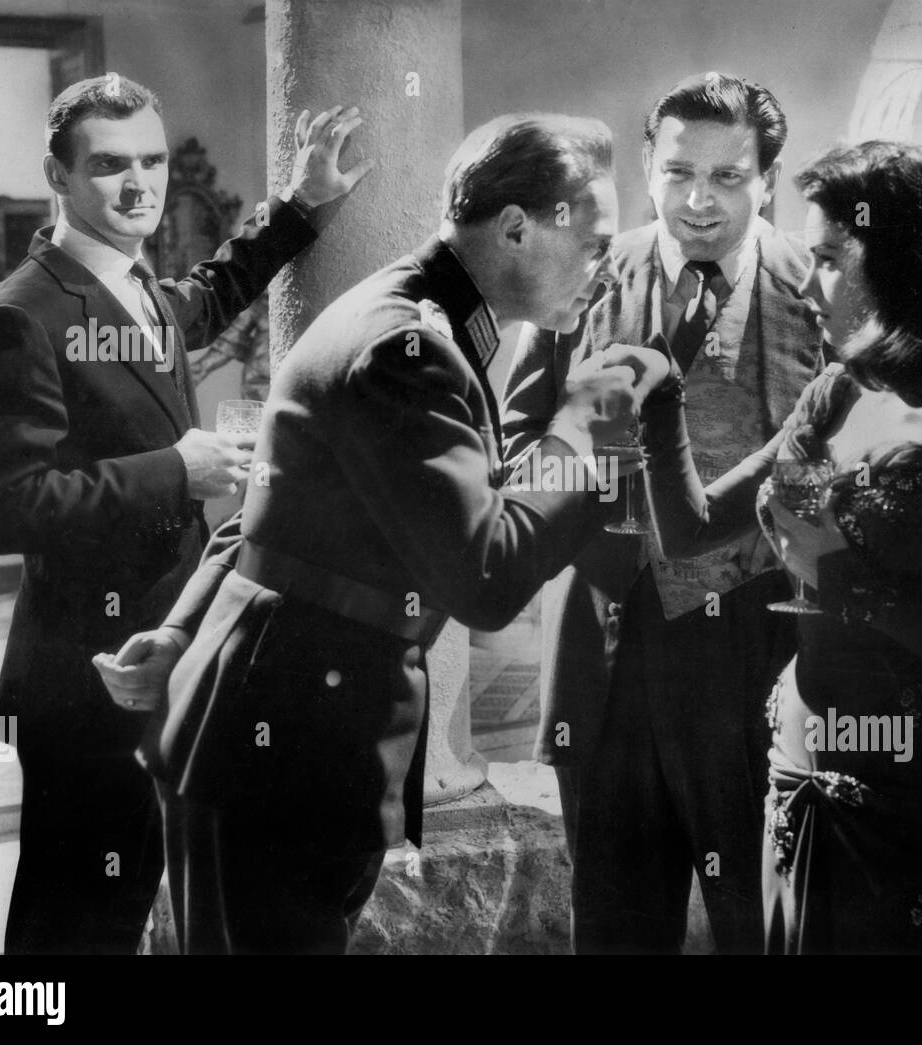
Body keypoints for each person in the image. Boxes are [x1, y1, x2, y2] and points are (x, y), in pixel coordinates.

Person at [94, 113, 670, 954]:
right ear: (516, 228)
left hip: (278, 730)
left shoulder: (408, 314)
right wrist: (592, 421)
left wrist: (181, 630)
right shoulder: (410, 351)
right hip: (287, 749)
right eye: (592, 242)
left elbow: (267, 515)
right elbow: (485, 577)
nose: (602, 266)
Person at [0, 72, 371, 954]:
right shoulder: (19, 316)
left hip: (157, 656)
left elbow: (210, 292)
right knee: (71, 928)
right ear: (58, 176)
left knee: (129, 895)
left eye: (151, 160)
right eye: (109, 165)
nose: (140, 184)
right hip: (82, 676)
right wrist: (173, 470)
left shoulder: (133, 288)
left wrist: (302, 207)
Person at [639, 139, 922, 953]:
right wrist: (663, 386)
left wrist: (841, 574)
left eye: (834, 257)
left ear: (909, 263)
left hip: (912, 805)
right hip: (797, 773)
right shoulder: (838, 391)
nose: (810, 279)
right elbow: (692, 529)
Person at [501, 72, 822, 954]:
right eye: (679, 172)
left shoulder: (819, 291)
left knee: (767, 928)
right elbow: (517, 446)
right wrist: (595, 475)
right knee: (615, 929)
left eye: (727, 177)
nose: (699, 200)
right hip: (614, 652)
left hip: (767, 652)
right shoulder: (585, 277)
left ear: (769, 180)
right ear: (648, 166)